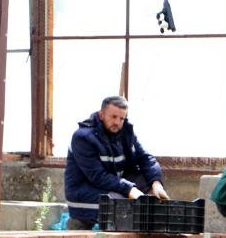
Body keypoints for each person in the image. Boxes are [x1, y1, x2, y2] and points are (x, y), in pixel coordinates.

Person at [64, 95, 170, 230]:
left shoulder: (126, 132)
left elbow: (145, 157)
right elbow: (97, 176)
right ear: (101, 115)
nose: (118, 122)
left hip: (114, 185)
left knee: (148, 181)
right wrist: (129, 189)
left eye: (121, 118)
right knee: (119, 201)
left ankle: (154, 224)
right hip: (83, 192)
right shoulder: (83, 138)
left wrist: (156, 183)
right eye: (113, 117)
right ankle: (80, 224)